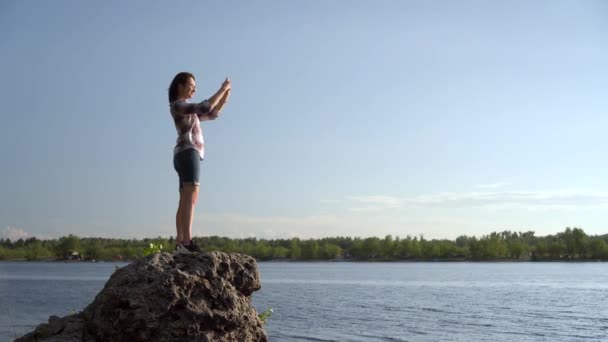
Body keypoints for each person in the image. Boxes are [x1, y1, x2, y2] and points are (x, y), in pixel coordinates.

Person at [168, 72, 231, 254]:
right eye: (191, 85)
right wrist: (222, 89)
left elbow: (211, 113)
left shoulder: (187, 110)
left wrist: (225, 95)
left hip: (184, 154)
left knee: (185, 198)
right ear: (180, 86)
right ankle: (186, 242)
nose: (195, 88)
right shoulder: (178, 105)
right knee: (191, 197)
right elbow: (204, 107)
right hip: (189, 152)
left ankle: (181, 242)